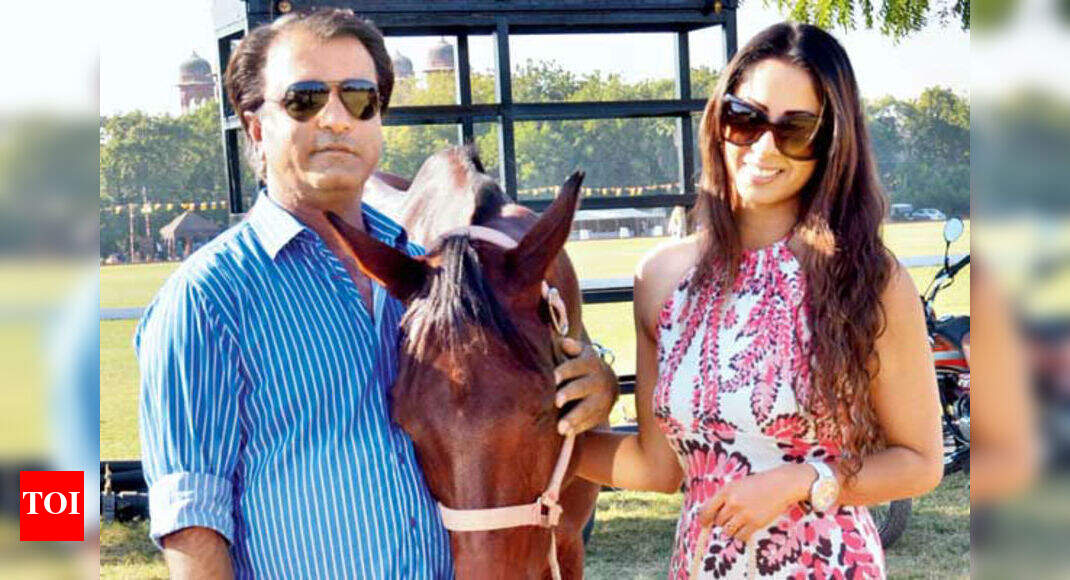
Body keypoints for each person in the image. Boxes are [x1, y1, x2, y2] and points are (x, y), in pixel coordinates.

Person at [135, 8, 617, 579]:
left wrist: (593, 384)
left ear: (379, 120)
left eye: (359, 98)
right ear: (257, 128)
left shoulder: (432, 270)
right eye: (305, 99)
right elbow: (193, 523)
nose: (336, 119)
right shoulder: (206, 300)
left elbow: (499, 404)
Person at [574, 22, 943, 578]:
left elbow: (920, 462)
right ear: (719, 119)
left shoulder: (868, 278)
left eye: (797, 130)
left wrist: (802, 480)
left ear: (832, 143)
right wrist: (532, 438)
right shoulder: (661, 279)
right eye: (746, 118)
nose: (764, 147)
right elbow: (657, 468)